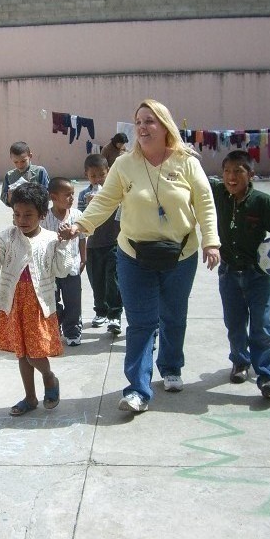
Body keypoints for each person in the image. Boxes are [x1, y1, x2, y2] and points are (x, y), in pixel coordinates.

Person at [60, 99, 221, 413]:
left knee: (174, 316)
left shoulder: (186, 161)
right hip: (134, 255)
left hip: (180, 254)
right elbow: (105, 201)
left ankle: (172, 367)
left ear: (164, 126)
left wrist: (211, 242)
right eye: (139, 122)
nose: (143, 128)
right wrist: (80, 225)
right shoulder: (124, 163)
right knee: (141, 323)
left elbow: (204, 202)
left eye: (150, 121)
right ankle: (138, 389)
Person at [209, 150, 270, 398]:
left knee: (261, 326)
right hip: (228, 273)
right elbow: (194, 177)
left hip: (256, 276)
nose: (232, 176)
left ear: (251, 174)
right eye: (227, 171)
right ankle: (240, 362)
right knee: (234, 323)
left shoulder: (262, 203)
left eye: (238, 171)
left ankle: (267, 376)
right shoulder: (218, 194)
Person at [0, 183, 72, 416]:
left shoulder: (52, 240)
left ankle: (49, 378)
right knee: (21, 353)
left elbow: (62, 271)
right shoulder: (7, 237)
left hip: (39, 305)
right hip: (14, 302)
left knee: (34, 353)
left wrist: (63, 246)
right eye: (17, 214)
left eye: (29, 215)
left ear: (42, 215)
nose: (22, 219)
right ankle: (30, 398)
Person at [78, 154, 122, 334]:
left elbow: (122, 214)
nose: (97, 179)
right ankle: (100, 311)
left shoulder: (115, 192)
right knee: (96, 280)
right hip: (93, 245)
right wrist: (89, 206)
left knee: (113, 280)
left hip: (113, 241)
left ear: (108, 172)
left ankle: (115, 314)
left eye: (101, 175)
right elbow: (79, 219)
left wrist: (106, 201)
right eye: (93, 176)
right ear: (86, 175)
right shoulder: (83, 194)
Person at [41, 177, 86, 346]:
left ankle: (73, 330)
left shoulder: (77, 215)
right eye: (67, 195)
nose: (71, 198)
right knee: (51, 299)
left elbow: (82, 238)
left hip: (72, 266)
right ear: (53, 197)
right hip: (50, 268)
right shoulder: (44, 217)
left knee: (73, 300)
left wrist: (83, 258)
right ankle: (55, 324)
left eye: (72, 194)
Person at [0, 141, 50, 206]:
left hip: (37, 212)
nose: (20, 165)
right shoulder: (9, 175)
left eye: (23, 161)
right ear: (11, 159)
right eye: (16, 162)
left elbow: (48, 193)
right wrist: (9, 197)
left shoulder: (40, 171)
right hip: (19, 213)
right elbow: (3, 197)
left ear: (30, 156)